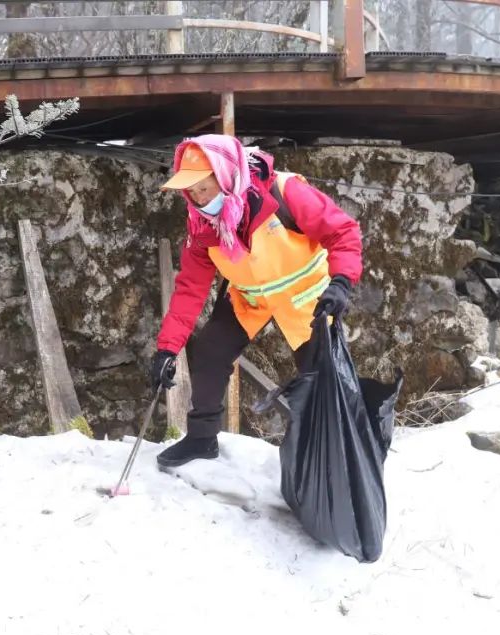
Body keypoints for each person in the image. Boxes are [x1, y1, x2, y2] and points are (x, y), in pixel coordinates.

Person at [150, 134, 364, 468]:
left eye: (203, 188)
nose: (197, 198)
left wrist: (340, 283)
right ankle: (201, 438)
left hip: (307, 299)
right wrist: (166, 349)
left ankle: (329, 459)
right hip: (251, 298)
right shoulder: (202, 227)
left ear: (225, 176)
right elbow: (190, 288)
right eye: (189, 191)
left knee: (321, 380)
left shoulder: (286, 191)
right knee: (209, 349)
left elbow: (343, 232)